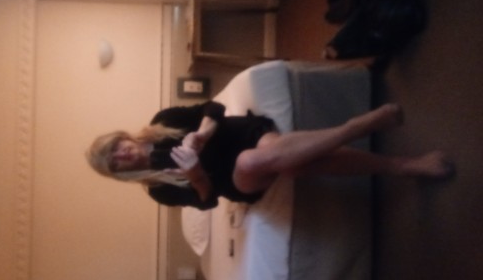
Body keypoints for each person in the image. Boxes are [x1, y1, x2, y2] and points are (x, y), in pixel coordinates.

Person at [86, 101, 454, 210]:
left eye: (115, 147)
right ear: (120, 173)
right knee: (250, 163)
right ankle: (354, 128)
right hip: (235, 180)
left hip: (242, 135)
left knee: (291, 166)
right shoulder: (159, 190)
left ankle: (403, 165)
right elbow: (208, 200)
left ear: (122, 137)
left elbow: (214, 108)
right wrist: (196, 173)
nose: (122, 155)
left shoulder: (163, 121)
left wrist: (202, 134)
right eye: (114, 162)